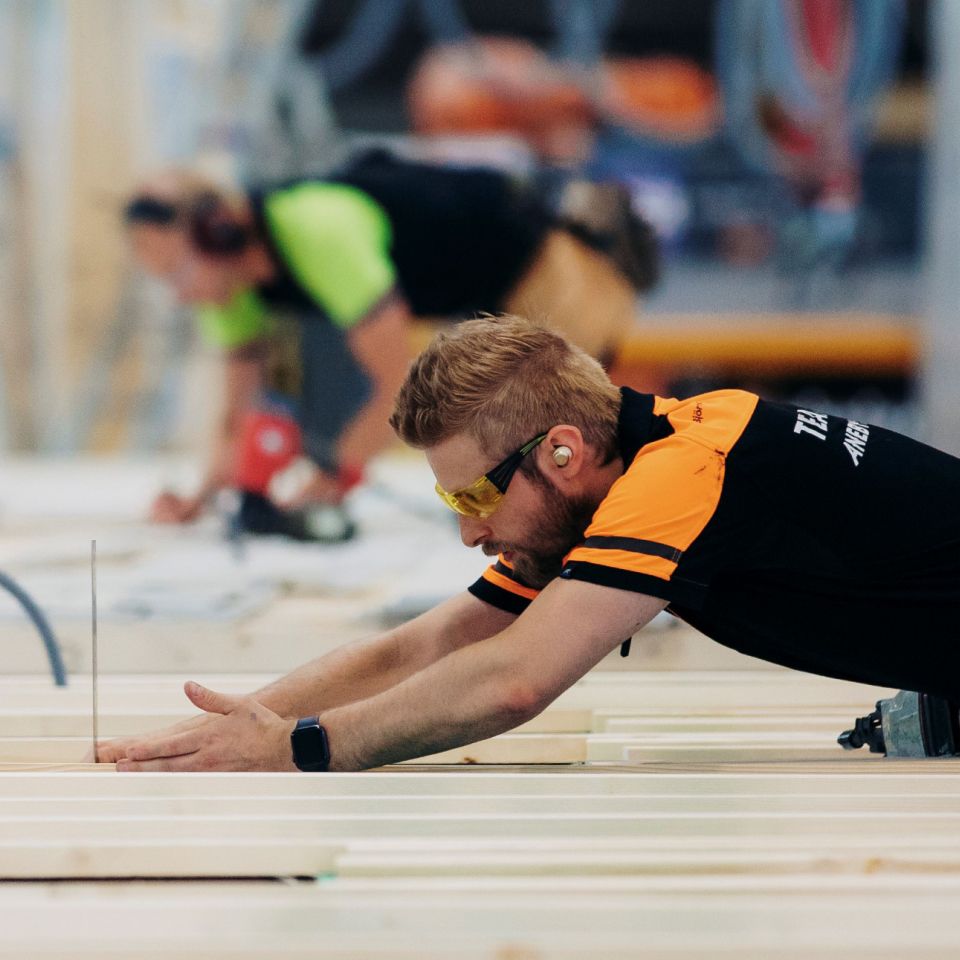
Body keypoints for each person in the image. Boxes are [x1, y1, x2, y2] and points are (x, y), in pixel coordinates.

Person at [98, 314, 960, 772]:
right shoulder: (636, 467)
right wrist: (250, 722)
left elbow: (514, 681)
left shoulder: (682, 475)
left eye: (474, 495)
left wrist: (303, 749)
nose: (470, 530)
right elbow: (436, 643)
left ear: (561, 451)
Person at [125, 151, 657, 537]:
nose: (177, 294)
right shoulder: (232, 284)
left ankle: (627, 550)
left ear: (220, 231)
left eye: (175, 271)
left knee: (561, 454)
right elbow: (236, 414)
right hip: (491, 289)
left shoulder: (317, 227)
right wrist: (204, 496)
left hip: (558, 269)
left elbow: (396, 385)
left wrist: (336, 476)